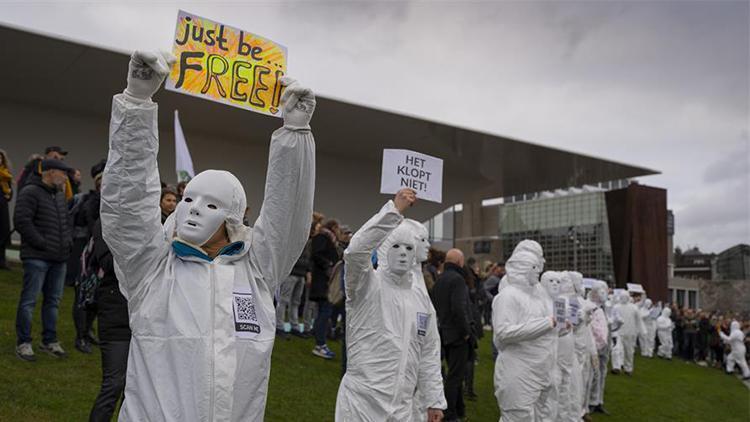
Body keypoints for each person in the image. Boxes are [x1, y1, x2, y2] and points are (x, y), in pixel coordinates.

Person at [100, 51, 315, 420]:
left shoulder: (259, 272)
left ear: (233, 218)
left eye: (211, 204)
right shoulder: (150, 268)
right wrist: (136, 102)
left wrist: (295, 134)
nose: (194, 207)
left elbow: (287, 214)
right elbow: (128, 201)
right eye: (188, 198)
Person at [335, 189, 446, 422]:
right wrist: (394, 211)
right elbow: (355, 253)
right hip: (361, 405)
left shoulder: (419, 300)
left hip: (401, 409)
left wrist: (433, 400)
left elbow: (428, 352)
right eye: (396, 246)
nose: (403, 254)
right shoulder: (366, 286)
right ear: (384, 249)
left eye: (408, 248)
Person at [14, 158, 72, 360]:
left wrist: (67, 243)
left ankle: (49, 340)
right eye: (62, 173)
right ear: (49, 172)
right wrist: (41, 243)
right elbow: (22, 220)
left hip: (59, 257)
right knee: (29, 301)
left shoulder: (58, 195)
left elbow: (65, 223)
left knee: (53, 302)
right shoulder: (30, 192)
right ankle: (24, 342)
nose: (65, 177)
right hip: (37, 257)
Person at [492, 240, 557, 422]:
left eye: (538, 266)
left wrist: (560, 328)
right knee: (517, 416)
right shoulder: (508, 296)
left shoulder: (537, 296)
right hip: (518, 371)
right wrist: (546, 324)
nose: (538, 271)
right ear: (520, 268)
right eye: (533, 267)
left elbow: (548, 328)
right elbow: (503, 333)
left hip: (540, 369)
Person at [89, 218, 131, 421]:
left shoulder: (147, 220)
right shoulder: (106, 222)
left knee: (134, 387)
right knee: (114, 383)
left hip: (140, 317)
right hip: (115, 314)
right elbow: (107, 262)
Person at [433, 248, 472, 421]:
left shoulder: (440, 279)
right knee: (455, 377)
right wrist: (465, 332)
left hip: (444, 333)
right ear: (459, 262)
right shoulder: (457, 280)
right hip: (456, 335)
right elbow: (459, 308)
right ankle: (449, 414)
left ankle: (459, 409)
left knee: (453, 374)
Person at [309, 218, 340, 359]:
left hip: (325, 281)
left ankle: (321, 341)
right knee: (325, 311)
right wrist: (329, 265)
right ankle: (320, 343)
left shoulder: (328, 239)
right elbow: (317, 255)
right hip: (323, 282)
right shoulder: (322, 238)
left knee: (324, 311)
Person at [276, 231, 312, 337]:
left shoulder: (306, 242)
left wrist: (307, 271)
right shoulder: (291, 239)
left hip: (301, 274)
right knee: (284, 300)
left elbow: (308, 258)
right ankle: (279, 326)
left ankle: (294, 326)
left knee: (296, 302)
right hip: (291, 273)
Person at [587, 280, 612, 415]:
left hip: (605, 344)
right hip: (594, 345)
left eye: (606, 291)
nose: (605, 294)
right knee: (593, 374)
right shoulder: (590, 306)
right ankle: (590, 401)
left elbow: (609, 325)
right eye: (602, 291)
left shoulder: (606, 307)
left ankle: (598, 401)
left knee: (602, 372)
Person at [613, 289, 645, 375]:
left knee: (629, 351)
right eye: (622, 297)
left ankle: (628, 368)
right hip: (618, 332)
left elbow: (639, 320)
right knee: (617, 350)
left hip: (630, 333)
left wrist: (642, 330)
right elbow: (613, 318)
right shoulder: (616, 307)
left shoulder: (634, 308)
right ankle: (617, 366)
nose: (624, 298)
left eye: (625, 297)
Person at [0, 149, 13, 270]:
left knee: (2, 233)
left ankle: (2, 260)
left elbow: (10, 189)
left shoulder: (6, 174)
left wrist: (9, 195)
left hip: (2, 206)